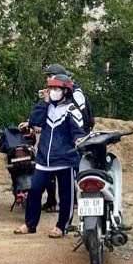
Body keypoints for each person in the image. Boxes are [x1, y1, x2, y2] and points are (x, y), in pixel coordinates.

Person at [14, 74, 85, 238]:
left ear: (65, 91)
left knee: (66, 195)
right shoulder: (46, 108)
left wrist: (79, 142)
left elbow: (77, 133)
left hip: (65, 160)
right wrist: (44, 102)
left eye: (56, 89)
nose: (53, 91)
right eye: (51, 88)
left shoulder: (72, 110)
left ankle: (62, 226)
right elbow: (35, 121)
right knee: (35, 190)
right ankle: (30, 224)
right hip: (43, 159)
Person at [40, 64, 94, 212]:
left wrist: (78, 136)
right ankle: (52, 200)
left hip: (73, 136)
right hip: (61, 135)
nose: (47, 79)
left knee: (74, 169)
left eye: (49, 75)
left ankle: (76, 201)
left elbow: (79, 116)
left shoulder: (75, 93)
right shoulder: (56, 91)